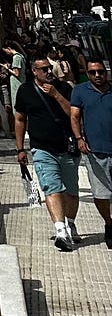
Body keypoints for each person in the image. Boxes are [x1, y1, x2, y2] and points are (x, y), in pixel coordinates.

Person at [15, 52, 81, 251]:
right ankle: (60, 230)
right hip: (42, 148)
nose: (48, 71)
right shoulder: (25, 91)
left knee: (71, 192)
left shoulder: (63, 88)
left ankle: (70, 223)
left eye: (49, 68)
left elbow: (73, 113)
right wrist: (20, 148)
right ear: (34, 71)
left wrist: (56, 95)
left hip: (67, 147)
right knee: (51, 187)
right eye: (43, 69)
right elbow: (20, 119)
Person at [69, 56, 112, 248]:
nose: (97, 75)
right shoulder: (80, 91)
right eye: (93, 72)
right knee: (101, 193)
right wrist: (79, 138)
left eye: (101, 72)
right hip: (95, 150)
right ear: (87, 74)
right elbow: (74, 116)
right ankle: (109, 223)